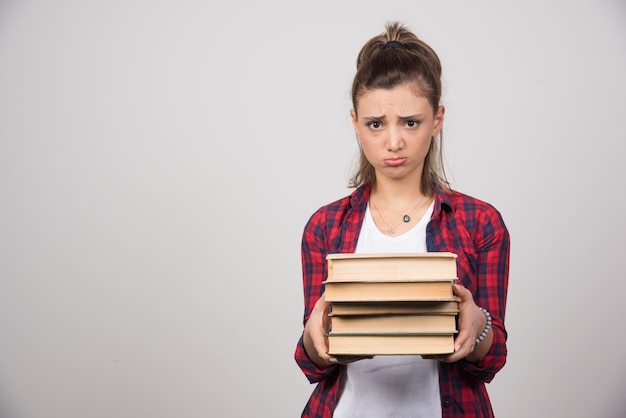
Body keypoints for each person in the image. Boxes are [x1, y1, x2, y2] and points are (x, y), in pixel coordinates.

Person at [294, 21, 510, 418]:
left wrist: (478, 325)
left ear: (437, 120)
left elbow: (491, 360)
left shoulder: (481, 223)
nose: (393, 142)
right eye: (376, 124)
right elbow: (310, 363)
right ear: (356, 123)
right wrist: (313, 336)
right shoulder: (324, 227)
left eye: (411, 122)